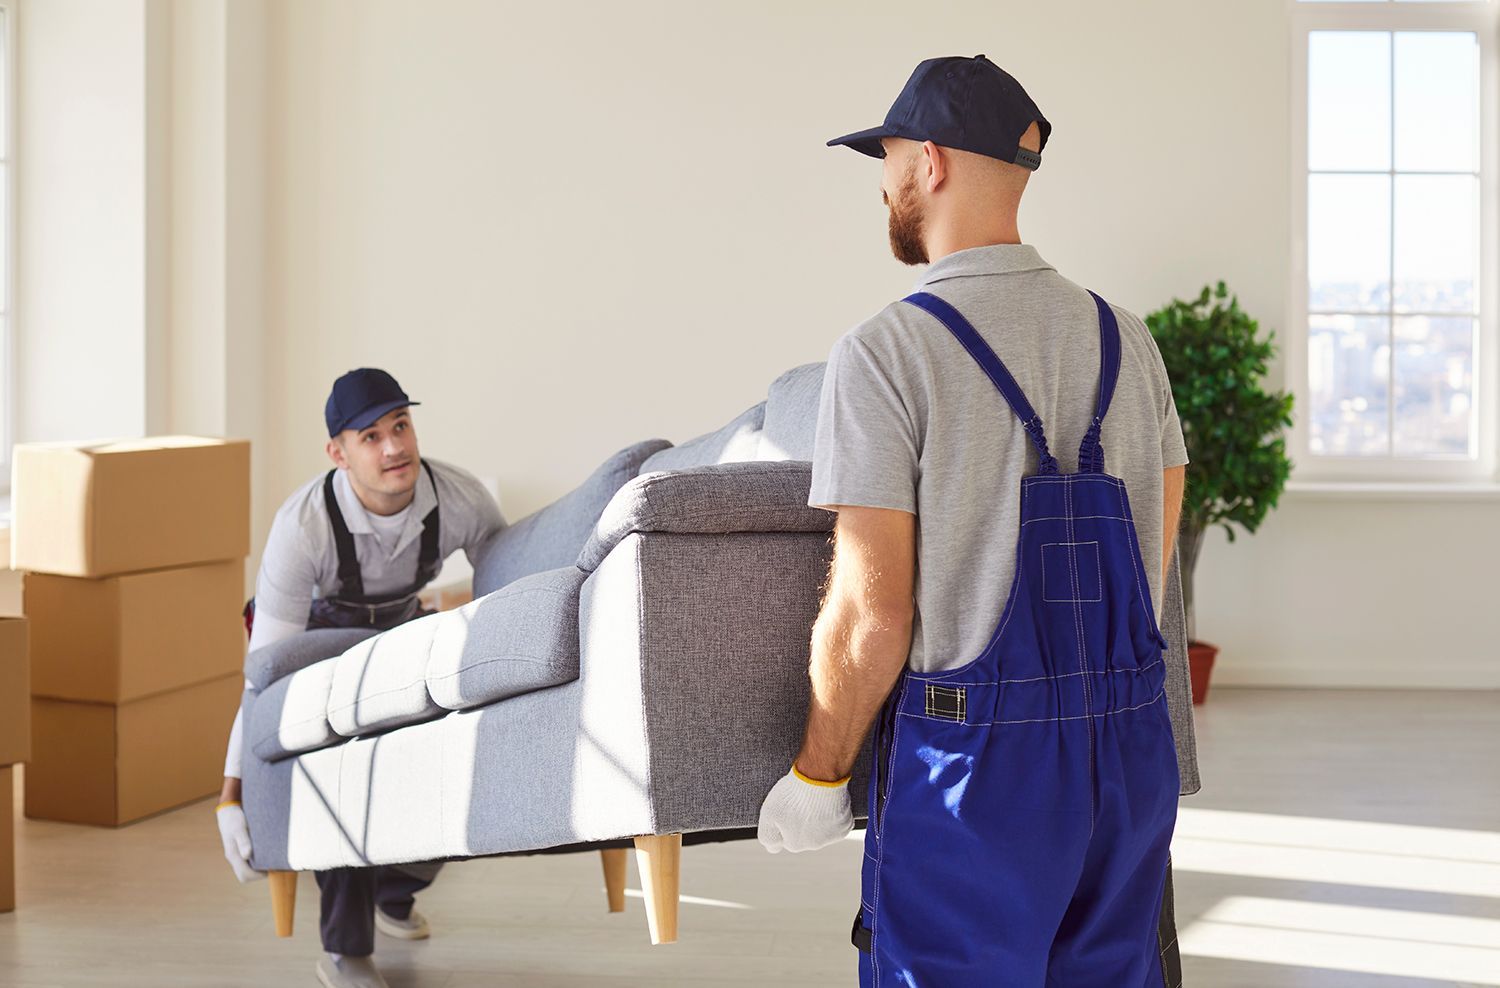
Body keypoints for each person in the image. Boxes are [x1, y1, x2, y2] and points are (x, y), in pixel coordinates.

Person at [756, 55, 1190, 986]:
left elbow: (871, 618)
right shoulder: (1128, 338)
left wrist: (819, 774)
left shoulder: (885, 354)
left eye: (887, 157)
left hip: (973, 775)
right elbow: (1154, 565)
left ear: (931, 159)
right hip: (1129, 756)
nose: (882, 182)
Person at [214, 368, 507, 988]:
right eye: (370, 436)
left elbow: (502, 590)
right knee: (346, 772)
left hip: (403, 636)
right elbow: (263, 672)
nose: (394, 447)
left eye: (401, 425)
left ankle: (395, 889)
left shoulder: (461, 499)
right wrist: (230, 792)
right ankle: (346, 949)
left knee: (451, 758)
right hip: (316, 647)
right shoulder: (302, 529)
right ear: (338, 453)